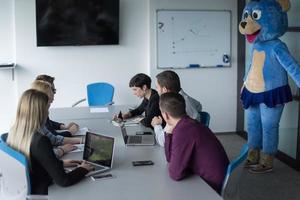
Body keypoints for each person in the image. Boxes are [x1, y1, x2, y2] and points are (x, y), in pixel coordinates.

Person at [7, 89, 94, 194]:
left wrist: (58, 164)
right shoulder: (40, 141)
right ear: (40, 112)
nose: (48, 112)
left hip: (27, 188)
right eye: (47, 108)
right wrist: (83, 169)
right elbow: (63, 181)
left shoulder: (15, 132)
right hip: (44, 189)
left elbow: (35, 162)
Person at [159, 92, 229, 193]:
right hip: (215, 176)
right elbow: (170, 159)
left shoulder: (182, 131)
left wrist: (168, 133)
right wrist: (168, 134)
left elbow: (175, 174)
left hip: (210, 186)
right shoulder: (188, 123)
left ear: (165, 115)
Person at [151, 70, 202, 146]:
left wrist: (157, 125)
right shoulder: (184, 97)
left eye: (157, 87)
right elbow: (199, 106)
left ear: (164, 89)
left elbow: (163, 141)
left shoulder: (174, 106)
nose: (156, 90)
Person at [31, 80, 82, 150]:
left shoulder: (37, 115)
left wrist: (62, 126)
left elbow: (52, 137)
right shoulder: (37, 120)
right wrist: (70, 132)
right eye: (51, 91)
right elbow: (52, 139)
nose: (53, 95)